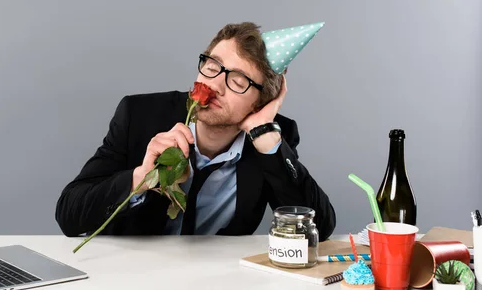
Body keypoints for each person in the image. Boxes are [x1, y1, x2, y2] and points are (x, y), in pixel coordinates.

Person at [55, 22, 336, 241]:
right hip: (130, 280)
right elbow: (69, 214)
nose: (215, 84)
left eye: (238, 80)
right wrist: (141, 178)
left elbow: (319, 229)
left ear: (259, 103)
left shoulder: (271, 138)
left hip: (215, 289)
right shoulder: (138, 115)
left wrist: (265, 136)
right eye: (213, 66)